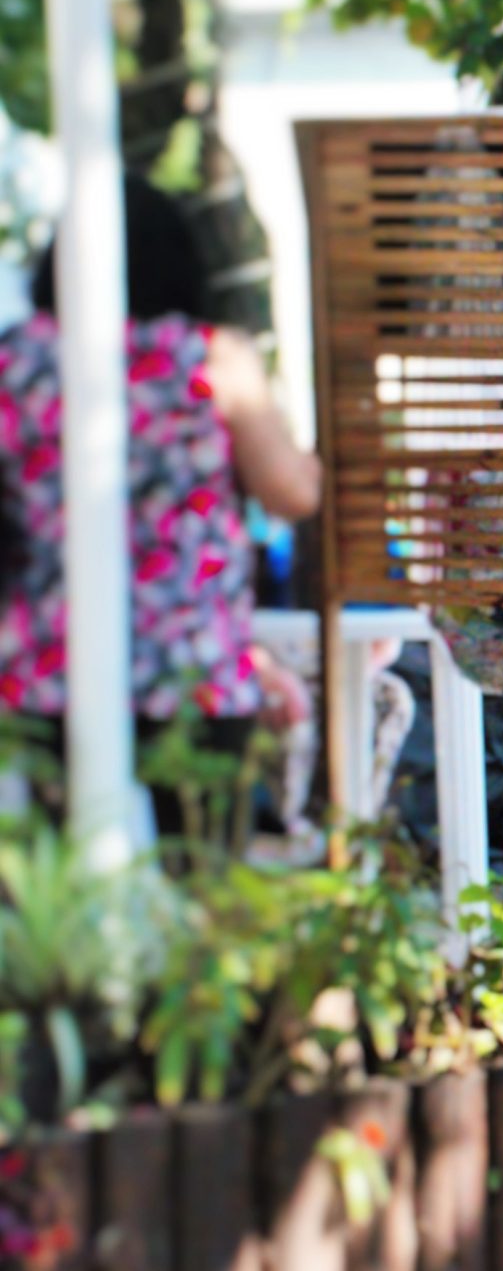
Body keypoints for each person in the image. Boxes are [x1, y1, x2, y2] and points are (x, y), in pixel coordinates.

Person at [0, 175, 320, 827]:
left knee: (66, 894)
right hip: (192, 665)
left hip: (48, 666)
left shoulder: (18, 361)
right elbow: (291, 493)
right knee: (203, 879)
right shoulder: (212, 359)